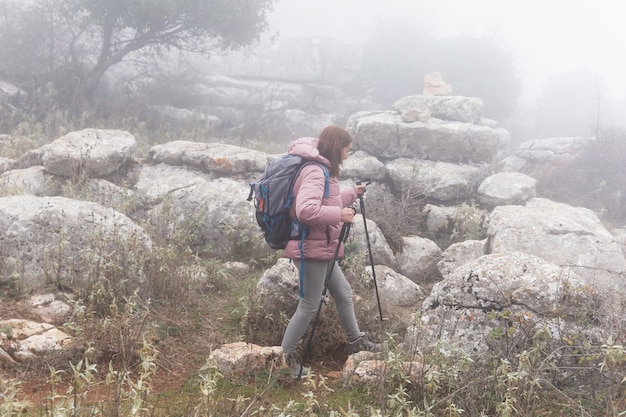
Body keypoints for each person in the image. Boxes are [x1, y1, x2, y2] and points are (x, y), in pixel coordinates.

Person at [281, 125, 382, 378]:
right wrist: (340, 214)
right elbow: (305, 211)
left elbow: (325, 201)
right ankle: (284, 359)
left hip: (322, 247)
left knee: (344, 293)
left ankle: (356, 342)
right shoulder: (316, 171)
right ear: (338, 148)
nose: (348, 155)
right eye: (347, 150)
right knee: (309, 304)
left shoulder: (324, 170)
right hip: (311, 249)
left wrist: (351, 195)